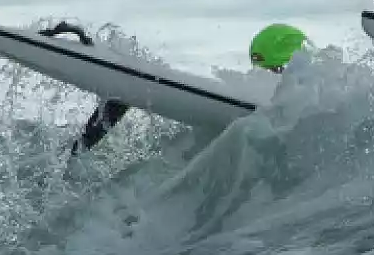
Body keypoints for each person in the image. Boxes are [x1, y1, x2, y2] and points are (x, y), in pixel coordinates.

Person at [67, 22, 308, 156]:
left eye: (273, 69)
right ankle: (76, 156)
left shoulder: (312, 99)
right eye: (262, 70)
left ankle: (75, 157)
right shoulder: (307, 97)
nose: (265, 76)